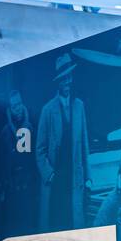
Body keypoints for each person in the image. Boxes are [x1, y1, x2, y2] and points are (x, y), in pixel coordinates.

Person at [36, 53, 91, 230]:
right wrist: (50, 174)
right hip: (56, 181)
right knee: (56, 225)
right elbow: (39, 150)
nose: (68, 82)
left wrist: (88, 176)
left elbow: (84, 146)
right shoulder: (47, 110)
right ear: (58, 82)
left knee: (75, 224)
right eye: (63, 78)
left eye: (69, 77)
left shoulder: (79, 106)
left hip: (74, 179)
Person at [0, 89, 39, 234]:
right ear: (9, 109)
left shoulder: (29, 128)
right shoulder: (5, 132)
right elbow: (5, 162)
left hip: (28, 187)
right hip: (13, 190)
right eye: (14, 106)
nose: (18, 108)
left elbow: (29, 156)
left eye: (20, 103)